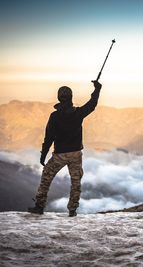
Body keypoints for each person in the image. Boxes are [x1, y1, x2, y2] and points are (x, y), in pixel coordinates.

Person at [28, 80, 102, 217]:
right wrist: (97, 89)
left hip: (59, 155)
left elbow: (48, 137)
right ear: (71, 97)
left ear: (59, 98)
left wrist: (43, 155)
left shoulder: (55, 116)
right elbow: (92, 105)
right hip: (76, 154)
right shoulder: (78, 113)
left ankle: (39, 207)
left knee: (46, 178)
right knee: (76, 182)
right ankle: (72, 210)